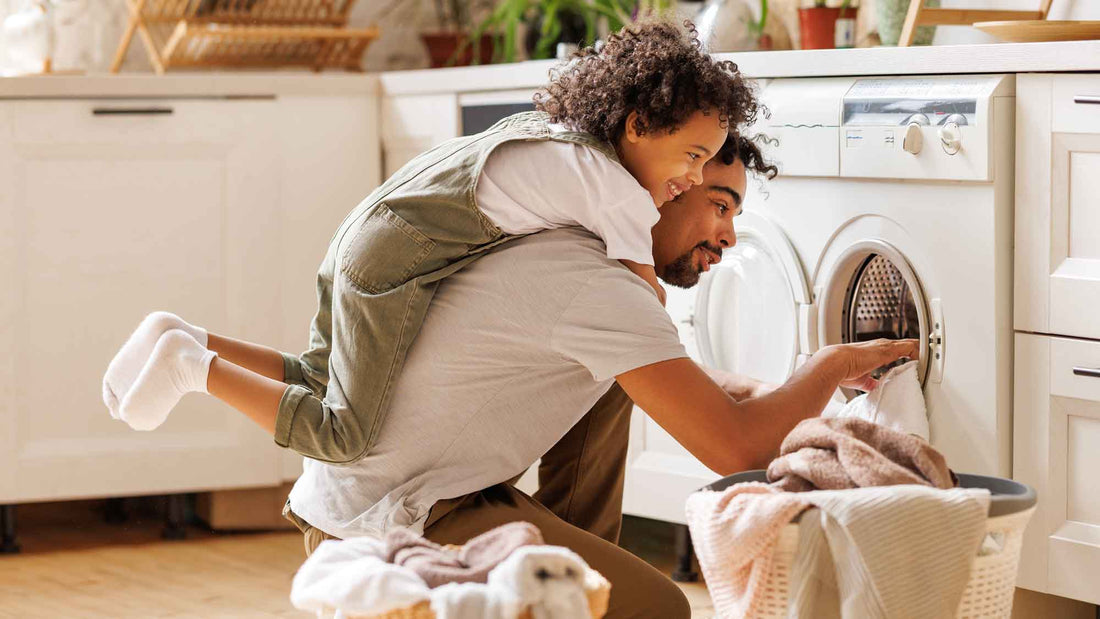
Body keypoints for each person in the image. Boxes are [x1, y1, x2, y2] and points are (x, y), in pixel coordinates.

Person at [106, 132, 918, 617]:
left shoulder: (578, 255)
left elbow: (675, 382)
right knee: (664, 610)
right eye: (714, 200)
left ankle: (576, 581)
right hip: (399, 514)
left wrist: (755, 385)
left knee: (620, 380)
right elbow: (731, 443)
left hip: (395, 485)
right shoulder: (595, 286)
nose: (729, 234)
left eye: (737, 211)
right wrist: (830, 364)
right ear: (660, 185)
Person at [101, 20, 761, 466]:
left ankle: (187, 333)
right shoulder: (614, 192)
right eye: (694, 157)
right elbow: (645, 312)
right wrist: (709, 391)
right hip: (392, 264)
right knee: (344, 435)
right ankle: (194, 367)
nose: (693, 179)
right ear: (641, 125)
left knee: (318, 376)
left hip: (367, 236)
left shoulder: (567, 139)